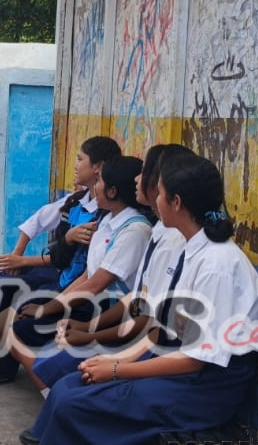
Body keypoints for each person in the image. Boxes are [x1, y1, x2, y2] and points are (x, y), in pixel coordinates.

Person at [20, 152, 258, 445]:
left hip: (204, 388)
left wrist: (117, 369)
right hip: (176, 359)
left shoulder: (218, 265)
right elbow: (162, 326)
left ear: (175, 202)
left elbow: (195, 359)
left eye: (159, 192)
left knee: (76, 404)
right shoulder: (193, 249)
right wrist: (116, 362)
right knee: (69, 387)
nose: (148, 192)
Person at [0, 136, 121, 383]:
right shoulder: (77, 200)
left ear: (98, 167)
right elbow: (39, 220)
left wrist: (25, 262)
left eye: (80, 159)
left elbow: (76, 265)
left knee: (10, 296)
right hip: (64, 273)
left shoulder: (107, 215)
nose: (74, 165)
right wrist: (17, 254)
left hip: (70, 279)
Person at [29, 144, 194, 391]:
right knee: (50, 359)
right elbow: (136, 297)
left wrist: (92, 335)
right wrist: (85, 329)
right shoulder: (157, 232)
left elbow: (147, 319)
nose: (138, 178)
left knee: (64, 380)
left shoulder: (160, 237)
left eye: (145, 172)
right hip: (125, 326)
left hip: (141, 339)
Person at [0, 156, 152, 395]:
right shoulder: (106, 221)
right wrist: (53, 304)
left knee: (10, 328)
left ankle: (51, 391)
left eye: (99, 182)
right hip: (85, 302)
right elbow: (88, 275)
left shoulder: (135, 231)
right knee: (0, 323)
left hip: (108, 313)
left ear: (112, 191)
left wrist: (49, 309)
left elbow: (96, 284)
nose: (93, 188)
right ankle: (41, 379)